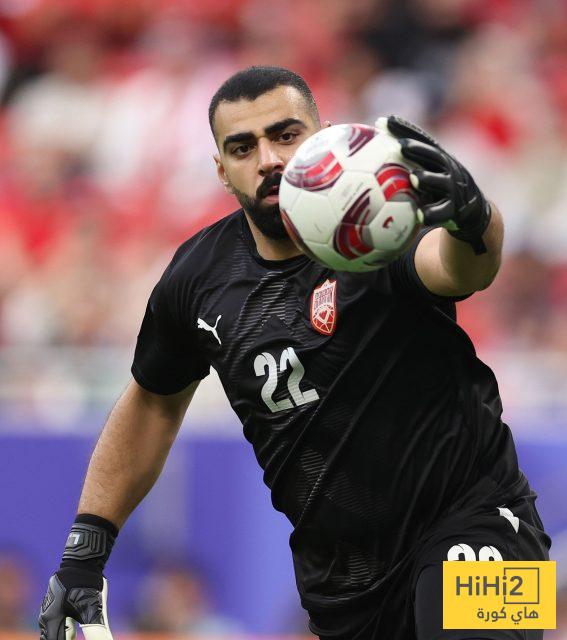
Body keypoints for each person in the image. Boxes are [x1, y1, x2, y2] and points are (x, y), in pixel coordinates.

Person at [38, 66, 551, 640]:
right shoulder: (197, 279)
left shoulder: (381, 222)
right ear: (221, 169)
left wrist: (474, 216)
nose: (268, 160)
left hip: (489, 525)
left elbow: (466, 268)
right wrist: (85, 551)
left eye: (285, 135)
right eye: (242, 147)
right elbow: (153, 402)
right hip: (343, 584)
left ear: (321, 136)